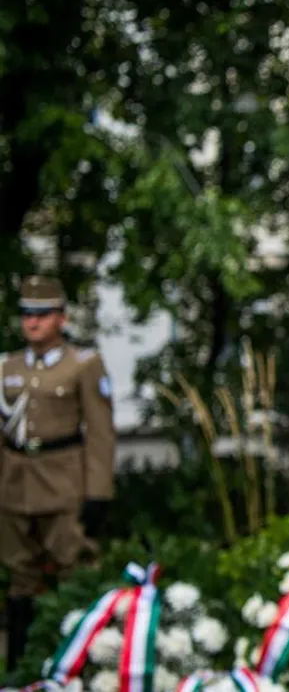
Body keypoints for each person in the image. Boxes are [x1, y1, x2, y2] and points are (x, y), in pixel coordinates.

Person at [0, 276, 116, 669]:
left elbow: (100, 433)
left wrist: (98, 492)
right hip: (15, 486)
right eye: (26, 314)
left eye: (42, 314)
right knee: (19, 577)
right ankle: (19, 667)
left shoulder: (83, 364)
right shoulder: (7, 366)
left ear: (62, 319)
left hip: (65, 483)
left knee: (76, 571)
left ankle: (81, 665)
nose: (32, 322)